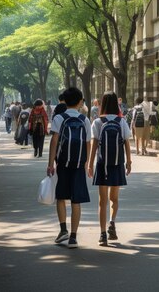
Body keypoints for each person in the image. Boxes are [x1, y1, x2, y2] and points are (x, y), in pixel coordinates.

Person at [48, 87, 91, 249]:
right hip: (79, 164)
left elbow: (54, 142)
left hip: (63, 164)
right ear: (80, 102)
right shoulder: (84, 119)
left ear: (65, 101)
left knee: (61, 197)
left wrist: (50, 163)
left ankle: (63, 230)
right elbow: (88, 143)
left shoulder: (59, 118)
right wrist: (87, 163)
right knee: (76, 199)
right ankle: (73, 237)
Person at [88, 91, 132, 246]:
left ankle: (102, 235)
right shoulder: (122, 122)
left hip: (102, 164)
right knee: (114, 198)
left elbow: (94, 144)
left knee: (102, 201)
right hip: (117, 163)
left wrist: (90, 163)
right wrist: (129, 162)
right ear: (116, 104)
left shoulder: (98, 122)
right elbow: (127, 142)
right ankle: (112, 223)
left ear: (102, 103)